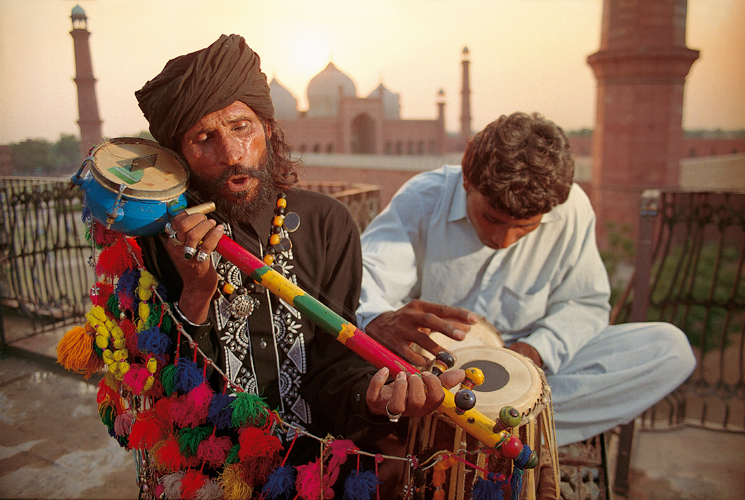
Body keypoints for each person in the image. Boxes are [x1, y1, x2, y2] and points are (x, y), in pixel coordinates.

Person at [133, 34, 463, 482]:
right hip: (211, 470)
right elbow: (154, 384)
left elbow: (333, 360)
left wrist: (374, 398)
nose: (231, 154)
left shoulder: (327, 222)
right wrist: (195, 294)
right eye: (204, 138)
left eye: (240, 128)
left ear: (268, 127)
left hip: (318, 467)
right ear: (180, 156)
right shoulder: (159, 240)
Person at [356, 111, 697, 446]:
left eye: (525, 227)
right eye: (491, 218)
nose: (503, 240)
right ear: (466, 179)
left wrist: (535, 350)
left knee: (670, 350)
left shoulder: (572, 208)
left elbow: (584, 303)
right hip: (437, 376)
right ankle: (491, 432)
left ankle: (479, 429)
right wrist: (382, 321)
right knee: (359, 345)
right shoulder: (423, 198)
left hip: (531, 372)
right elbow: (368, 285)